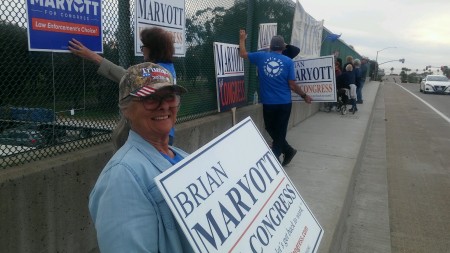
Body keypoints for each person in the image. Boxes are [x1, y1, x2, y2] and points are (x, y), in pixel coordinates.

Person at [89, 62, 193, 253]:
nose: (164, 106)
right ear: (125, 109)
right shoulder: (121, 178)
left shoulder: (184, 156)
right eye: (151, 98)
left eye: (169, 97)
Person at [68, 27, 177, 145]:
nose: (142, 50)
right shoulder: (168, 67)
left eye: (143, 47)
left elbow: (128, 78)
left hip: (152, 134)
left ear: (152, 49)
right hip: (162, 130)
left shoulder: (159, 70)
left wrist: (93, 56)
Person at [239, 29, 312, 166]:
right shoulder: (288, 61)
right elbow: (292, 85)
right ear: (283, 48)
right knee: (279, 130)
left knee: (271, 128)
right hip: (284, 102)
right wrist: (304, 96)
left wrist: (242, 38)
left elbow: (242, 53)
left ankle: (275, 158)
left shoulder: (261, 57)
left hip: (269, 102)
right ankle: (288, 150)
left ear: (270, 47)